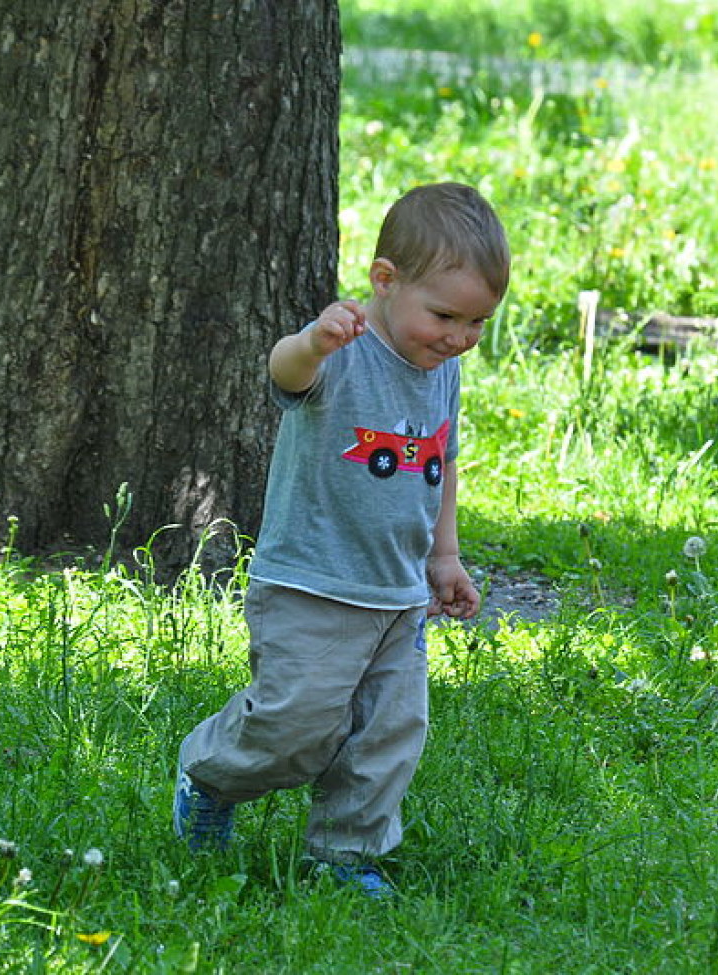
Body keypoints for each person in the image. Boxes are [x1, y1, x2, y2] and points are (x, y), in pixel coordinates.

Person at [174, 182, 510, 897]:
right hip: (312, 584)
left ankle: (344, 854)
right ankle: (210, 770)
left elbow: (440, 460)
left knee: (389, 734)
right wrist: (311, 341)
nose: (459, 337)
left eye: (479, 322)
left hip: (397, 592)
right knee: (297, 725)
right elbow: (283, 373)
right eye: (445, 315)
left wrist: (443, 556)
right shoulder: (343, 351)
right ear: (385, 281)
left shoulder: (441, 370)